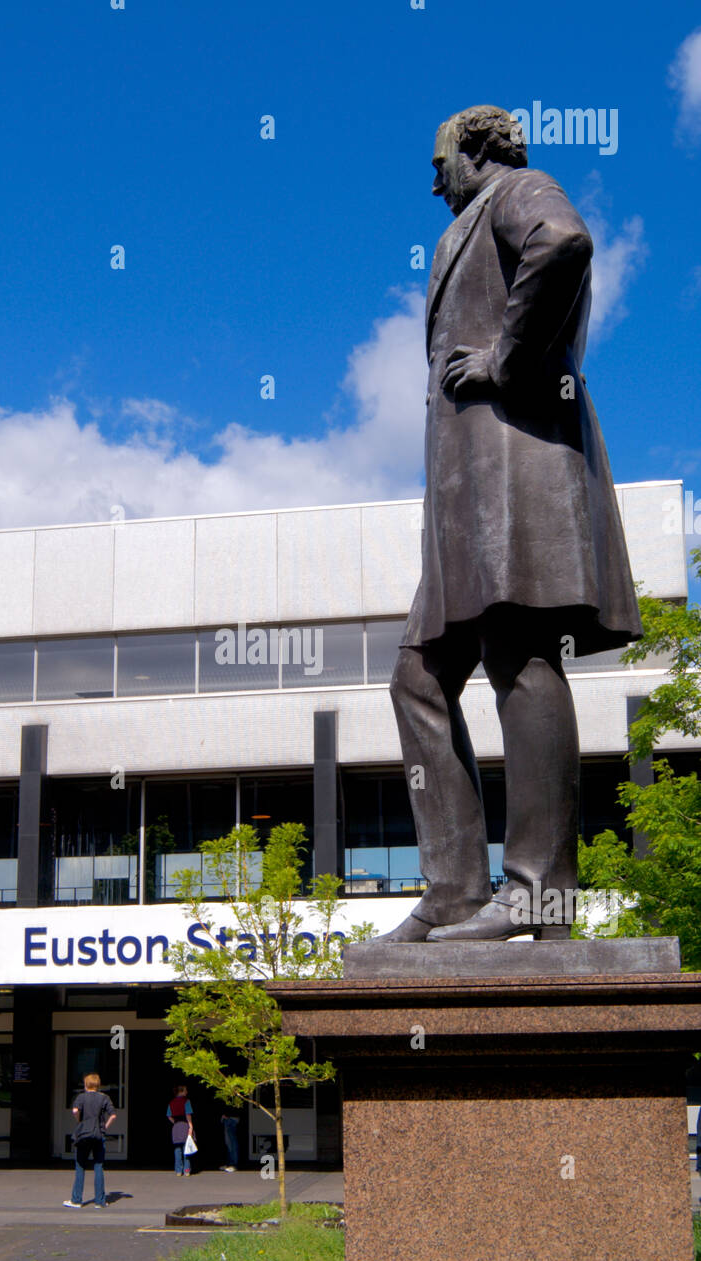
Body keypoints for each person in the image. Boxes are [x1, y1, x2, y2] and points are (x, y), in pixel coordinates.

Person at [385, 105, 641, 944]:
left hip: (513, 478)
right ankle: (454, 891)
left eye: (439, 160)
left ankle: (538, 897)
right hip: (463, 508)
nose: (432, 180)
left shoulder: (519, 190)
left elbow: (563, 241)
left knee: (517, 658)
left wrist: (502, 354)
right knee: (417, 676)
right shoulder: (461, 229)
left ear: (478, 150)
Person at [63, 1073, 116, 1210]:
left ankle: (76, 1200)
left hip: (84, 1134)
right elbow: (113, 1115)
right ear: (98, 1085)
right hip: (98, 1134)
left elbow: (75, 1110)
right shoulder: (104, 1098)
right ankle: (100, 1201)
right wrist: (104, 1127)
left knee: (80, 1166)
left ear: (86, 1085)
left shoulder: (81, 1097)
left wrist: (80, 1121)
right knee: (99, 1166)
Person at [167, 1085, 194, 1176]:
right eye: (185, 1090)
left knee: (177, 1148)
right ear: (181, 1091)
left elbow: (168, 1115)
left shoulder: (171, 1102)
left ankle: (178, 1170)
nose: (186, 1092)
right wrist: (190, 1126)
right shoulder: (186, 1101)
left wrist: (174, 1121)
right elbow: (188, 1114)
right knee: (186, 1148)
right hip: (184, 1124)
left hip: (176, 1126)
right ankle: (186, 1169)